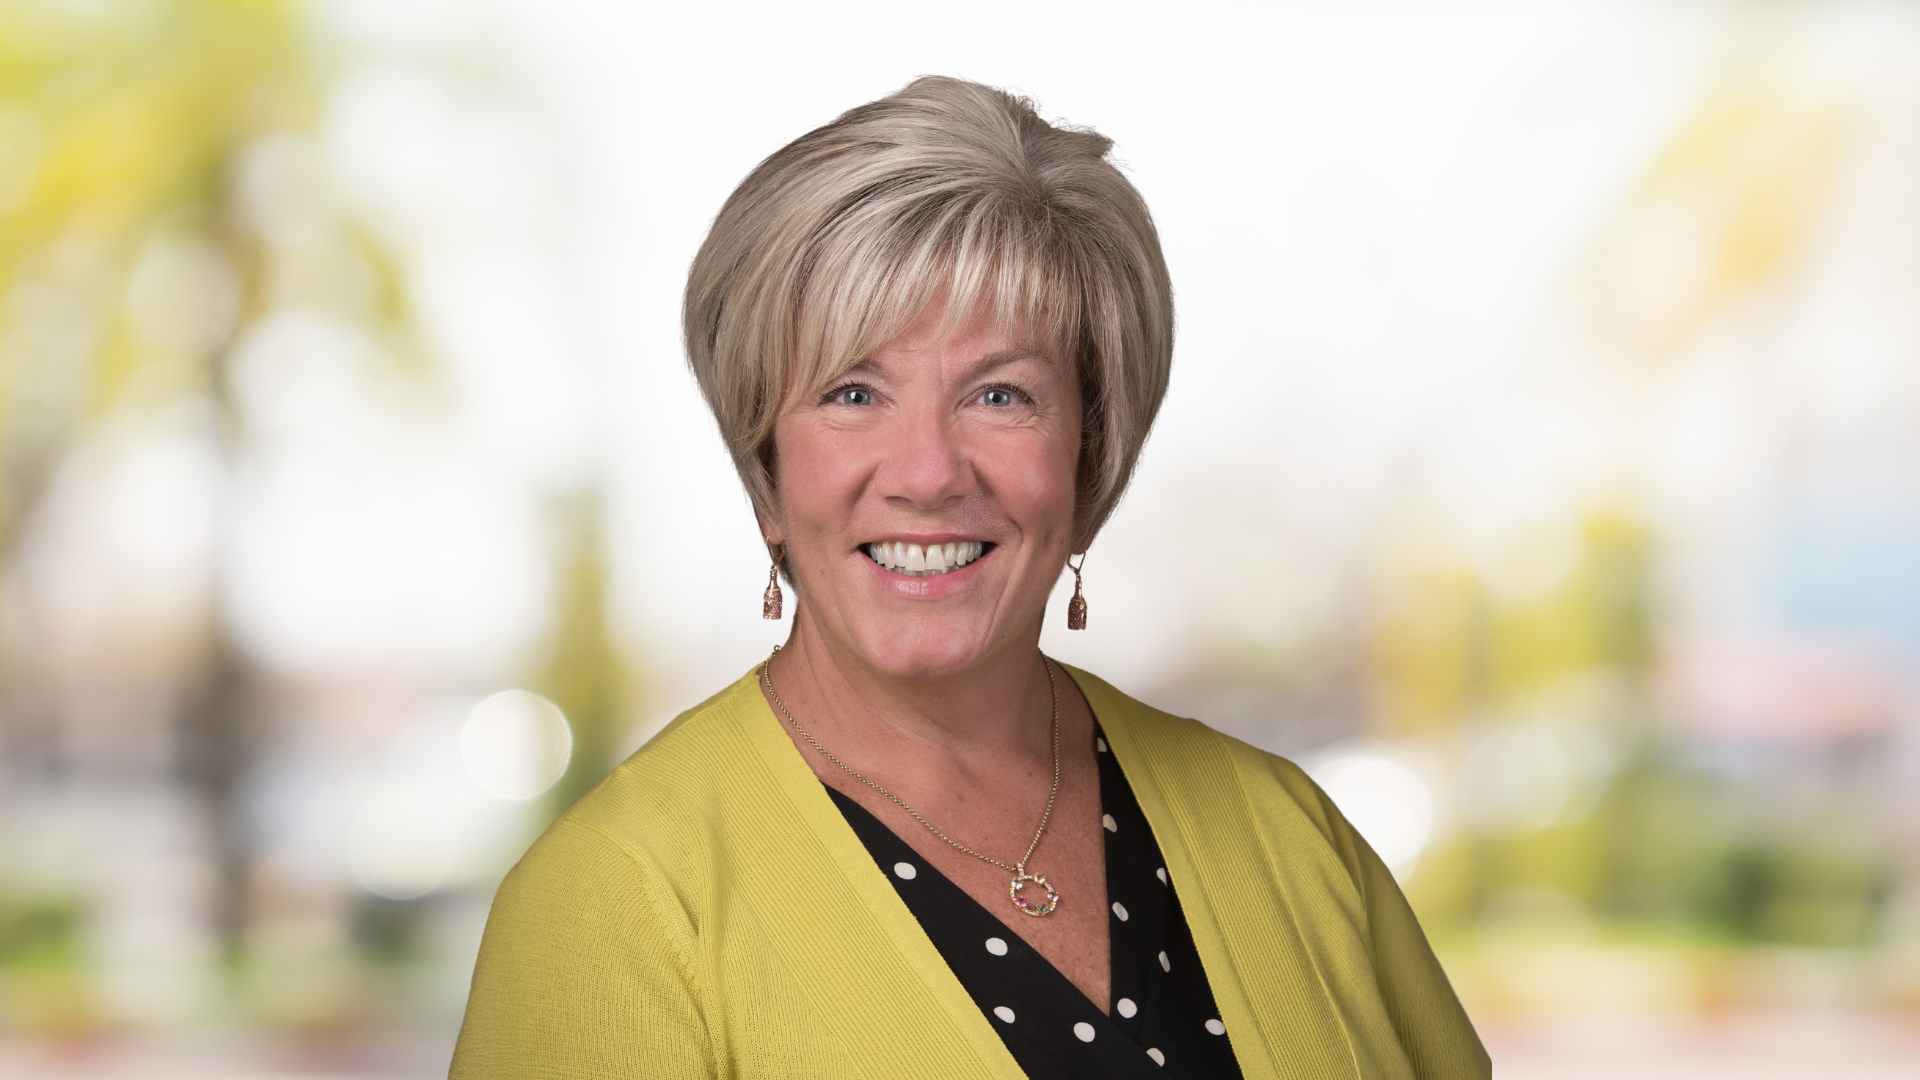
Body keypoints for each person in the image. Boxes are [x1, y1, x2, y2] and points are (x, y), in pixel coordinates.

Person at [450, 76, 1489, 1080]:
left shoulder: (1290, 836)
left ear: (1089, 461)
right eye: (853, 393)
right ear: (767, 474)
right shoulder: (618, 902)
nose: (930, 473)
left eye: (1000, 394)